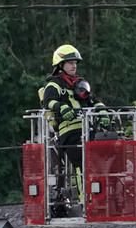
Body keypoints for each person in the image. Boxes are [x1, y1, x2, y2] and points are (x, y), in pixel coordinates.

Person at [37, 43, 95, 217]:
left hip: (87, 130)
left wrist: (103, 110)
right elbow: (48, 102)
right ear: (60, 65)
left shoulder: (80, 84)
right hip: (69, 133)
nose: (74, 65)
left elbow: (94, 101)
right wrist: (61, 107)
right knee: (81, 163)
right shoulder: (54, 85)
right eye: (70, 62)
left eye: (75, 62)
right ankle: (86, 201)